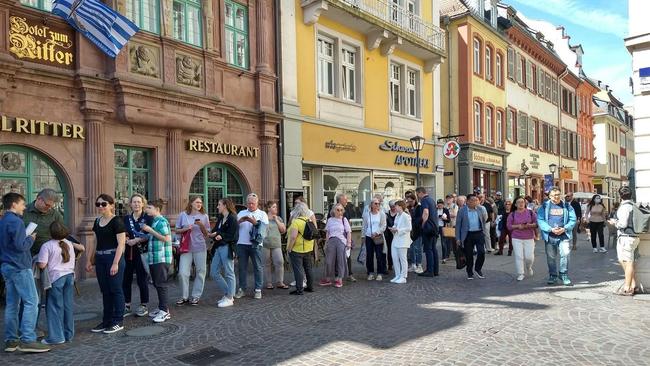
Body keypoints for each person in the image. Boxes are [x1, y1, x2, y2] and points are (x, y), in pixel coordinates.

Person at [0, 192, 50, 353]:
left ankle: (11, 340)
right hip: (19, 266)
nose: (24, 207)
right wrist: (31, 238)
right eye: (22, 204)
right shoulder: (16, 222)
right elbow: (21, 246)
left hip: (7, 265)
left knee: (12, 304)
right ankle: (28, 339)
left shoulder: (3, 221)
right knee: (31, 301)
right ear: (14, 205)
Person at [37, 221, 84, 344]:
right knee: (67, 306)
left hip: (56, 278)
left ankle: (56, 337)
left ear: (50, 233)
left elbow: (42, 265)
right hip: (69, 276)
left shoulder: (47, 246)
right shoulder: (69, 243)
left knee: (54, 307)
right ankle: (68, 335)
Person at [87, 194, 127, 334]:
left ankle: (118, 321)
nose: (100, 207)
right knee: (105, 291)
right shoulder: (97, 221)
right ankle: (107, 320)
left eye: (104, 204)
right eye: (98, 204)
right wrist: (89, 260)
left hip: (113, 257)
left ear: (111, 205)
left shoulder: (117, 221)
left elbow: (121, 244)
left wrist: (115, 263)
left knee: (116, 289)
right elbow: (94, 242)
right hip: (100, 258)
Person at [141, 199, 173, 323]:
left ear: (157, 209)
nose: (146, 209)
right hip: (155, 258)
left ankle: (165, 311)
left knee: (161, 284)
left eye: (149, 207)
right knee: (157, 283)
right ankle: (161, 308)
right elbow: (153, 237)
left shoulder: (162, 221)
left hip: (161, 258)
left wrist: (150, 230)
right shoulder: (155, 221)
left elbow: (166, 239)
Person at [537, 187, 577, 286]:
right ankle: (553, 275)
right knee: (551, 257)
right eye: (554, 195)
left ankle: (563, 274)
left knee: (566, 254)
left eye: (558, 194)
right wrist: (550, 229)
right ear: (550, 196)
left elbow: (573, 219)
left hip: (564, 235)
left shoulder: (567, 206)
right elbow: (540, 219)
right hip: (550, 235)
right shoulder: (544, 206)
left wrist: (565, 228)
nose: (557, 197)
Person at [175, 196, 210, 306]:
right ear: (191, 203)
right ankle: (184, 296)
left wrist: (201, 225)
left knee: (201, 272)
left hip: (200, 247)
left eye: (200, 202)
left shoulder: (204, 216)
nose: (199, 204)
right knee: (182, 273)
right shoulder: (183, 215)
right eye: (197, 202)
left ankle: (195, 296)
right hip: (186, 247)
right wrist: (186, 228)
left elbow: (207, 234)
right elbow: (176, 230)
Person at [122, 193, 152, 317]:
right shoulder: (126, 219)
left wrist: (137, 240)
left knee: (142, 279)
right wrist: (125, 239)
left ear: (143, 204)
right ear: (130, 204)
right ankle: (127, 305)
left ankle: (143, 305)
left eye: (139, 202)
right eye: (134, 202)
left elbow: (150, 234)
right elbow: (122, 232)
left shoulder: (148, 218)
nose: (136, 204)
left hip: (142, 253)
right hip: (128, 253)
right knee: (126, 280)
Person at [235, 193, 268, 300]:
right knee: (241, 268)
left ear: (257, 203)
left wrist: (255, 222)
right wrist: (240, 221)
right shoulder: (241, 213)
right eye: (249, 203)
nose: (250, 205)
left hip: (256, 244)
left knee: (258, 267)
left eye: (253, 203)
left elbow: (264, 230)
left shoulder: (262, 214)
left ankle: (258, 289)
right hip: (242, 243)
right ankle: (242, 288)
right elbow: (234, 227)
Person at [208, 199, 239, 308]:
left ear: (225, 206)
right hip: (218, 247)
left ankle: (230, 297)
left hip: (227, 247)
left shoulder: (232, 218)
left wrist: (221, 235)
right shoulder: (221, 217)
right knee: (213, 272)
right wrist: (211, 233)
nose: (217, 207)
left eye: (219, 204)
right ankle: (229, 293)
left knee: (229, 272)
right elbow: (216, 230)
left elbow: (234, 235)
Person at [613, 186, 640, 296]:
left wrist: (614, 223)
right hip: (634, 236)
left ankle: (627, 288)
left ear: (620, 196)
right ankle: (633, 284)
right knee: (626, 260)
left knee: (627, 262)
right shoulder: (634, 205)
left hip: (626, 237)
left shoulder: (624, 207)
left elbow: (623, 224)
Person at [455, 194, 487, 280]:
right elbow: (458, 225)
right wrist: (458, 238)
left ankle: (478, 268)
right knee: (469, 254)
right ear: (468, 201)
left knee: (481, 252)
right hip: (467, 235)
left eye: (476, 200)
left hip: (479, 233)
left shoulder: (480, 209)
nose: (476, 202)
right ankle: (469, 271)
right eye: (473, 200)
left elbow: (484, 220)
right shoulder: (462, 211)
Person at [320, 203, 352, 288]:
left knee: (341, 260)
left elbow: (349, 232)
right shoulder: (330, 220)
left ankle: (339, 279)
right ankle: (327, 279)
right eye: (338, 210)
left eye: (341, 210)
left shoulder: (344, 220)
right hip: (331, 241)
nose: (340, 212)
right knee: (328, 261)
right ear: (333, 210)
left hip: (341, 241)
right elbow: (327, 232)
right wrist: (326, 243)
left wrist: (349, 243)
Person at [286, 203, 315, 295]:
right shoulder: (309, 220)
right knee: (308, 269)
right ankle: (310, 287)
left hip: (297, 249)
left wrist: (289, 248)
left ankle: (299, 289)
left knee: (298, 270)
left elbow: (293, 237)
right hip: (308, 248)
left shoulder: (296, 222)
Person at [507, 197, 537, 281]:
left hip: (529, 237)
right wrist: (518, 226)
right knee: (519, 256)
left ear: (525, 203)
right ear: (515, 204)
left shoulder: (531, 213)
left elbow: (537, 223)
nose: (521, 204)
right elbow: (509, 226)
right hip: (516, 237)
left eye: (522, 202)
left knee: (529, 257)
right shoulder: (512, 214)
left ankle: (529, 267)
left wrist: (529, 225)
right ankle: (521, 273)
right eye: (518, 202)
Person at [263, 201, 287, 290]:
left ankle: (280, 282)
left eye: (276, 207)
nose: (276, 208)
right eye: (273, 207)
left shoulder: (279, 218)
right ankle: (268, 283)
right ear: (268, 208)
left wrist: (276, 220)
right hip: (265, 244)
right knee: (266, 264)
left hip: (276, 244)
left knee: (280, 262)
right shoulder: (263, 218)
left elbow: (283, 230)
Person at [362, 197, 387, 281]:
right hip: (369, 236)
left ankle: (380, 273)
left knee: (379, 255)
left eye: (378, 203)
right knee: (369, 255)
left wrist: (377, 232)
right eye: (375, 203)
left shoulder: (382, 214)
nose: (377, 205)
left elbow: (384, 226)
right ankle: (370, 272)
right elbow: (364, 226)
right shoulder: (367, 214)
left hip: (378, 236)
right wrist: (363, 236)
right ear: (371, 205)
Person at [416, 187, 439, 277]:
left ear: (421, 193)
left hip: (428, 227)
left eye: (417, 194)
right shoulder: (431, 200)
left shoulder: (424, 200)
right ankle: (435, 270)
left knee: (428, 249)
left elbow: (425, 212)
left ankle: (430, 270)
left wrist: (423, 224)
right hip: (434, 227)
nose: (417, 196)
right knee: (433, 249)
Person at [389, 200, 412, 284]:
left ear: (401, 207)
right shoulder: (397, 215)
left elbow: (409, 228)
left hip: (403, 240)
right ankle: (397, 275)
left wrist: (398, 230)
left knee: (403, 259)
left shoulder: (406, 216)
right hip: (396, 239)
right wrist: (393, 228)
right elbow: (396, 224)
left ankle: (403, 276)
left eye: (396, 206)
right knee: (394, 257)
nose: (395, 207)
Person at [405, 191, 423, 274]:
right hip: (410, 231)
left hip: (417, 230)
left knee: (418, 248)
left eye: (411, 201)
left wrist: (411, 219)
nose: (410, 203)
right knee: (411, 248)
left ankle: (419, 264)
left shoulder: (419, 207)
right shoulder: (407, 208)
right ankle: (413, 264)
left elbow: (420, 219)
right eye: (408, 201)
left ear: (414, 200)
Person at [435, 199, 451, 263]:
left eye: (441, 204)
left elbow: (448, 220)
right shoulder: (435, 210)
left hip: (443, 227)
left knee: (443, 242)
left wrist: (444, 218)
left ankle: (444, 257)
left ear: (443, 204)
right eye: (438, 204)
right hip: (436, 227)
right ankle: (435, 255)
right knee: (434, 242)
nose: (439, 205)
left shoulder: (445, 210)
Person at [384, 200, 398, 272]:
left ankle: (397, 264)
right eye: (391, 207)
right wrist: (389, 228)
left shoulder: (399, 214)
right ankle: (390, 265)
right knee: (389, 250)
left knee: (397, 250)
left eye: (394, 206)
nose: (393, 208)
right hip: (389, 234)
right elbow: (384, 225)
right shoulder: (387, 214)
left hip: (397, 234)